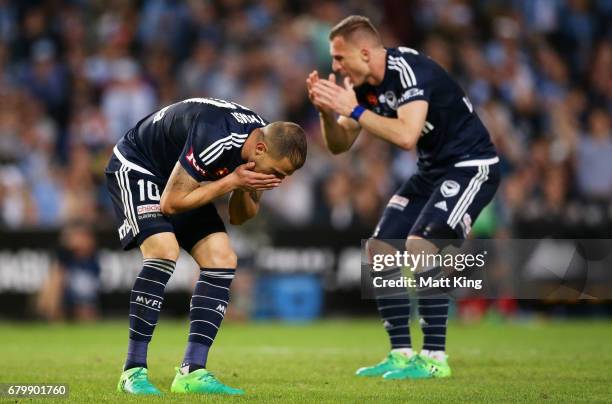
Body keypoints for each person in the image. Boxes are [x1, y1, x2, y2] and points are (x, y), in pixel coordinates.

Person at [306, 15, 500, 380]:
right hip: (432, 171)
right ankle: (400, 353)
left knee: (422, 246)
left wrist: (354, 110)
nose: (334, 66)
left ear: (365, 52)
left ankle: (434, 358)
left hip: (471, 166)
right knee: (379, 249)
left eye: (339, 57)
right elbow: (340, 145)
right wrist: (327, 114)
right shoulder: (363, 84)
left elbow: (407, 136)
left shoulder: (409, 71)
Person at [106, 97, 307, 395]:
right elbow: (171, 203)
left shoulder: (259, 148)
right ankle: (132, 371)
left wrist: (242, 183)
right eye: (277, 172)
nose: (277, 180)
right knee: (163, 249)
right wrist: (231, 181)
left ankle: (192, 373)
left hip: (186, 180)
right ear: (261, 148)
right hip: (140, 166)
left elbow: (241, 216)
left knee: (222, 257)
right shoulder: (216, 134)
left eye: (284, 176)